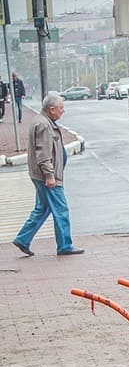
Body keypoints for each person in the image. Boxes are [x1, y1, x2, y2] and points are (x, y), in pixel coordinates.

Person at [12, 92, 84, 257]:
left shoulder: (44, 121)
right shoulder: (44, 125)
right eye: (60, 108)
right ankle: (65, 245)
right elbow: (43, 154)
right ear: (51, 109)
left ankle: (23, 239)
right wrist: (50, 176)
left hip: (41, 175)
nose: (62, 111)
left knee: (42, 208)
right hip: (47, 177)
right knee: (61, 210)